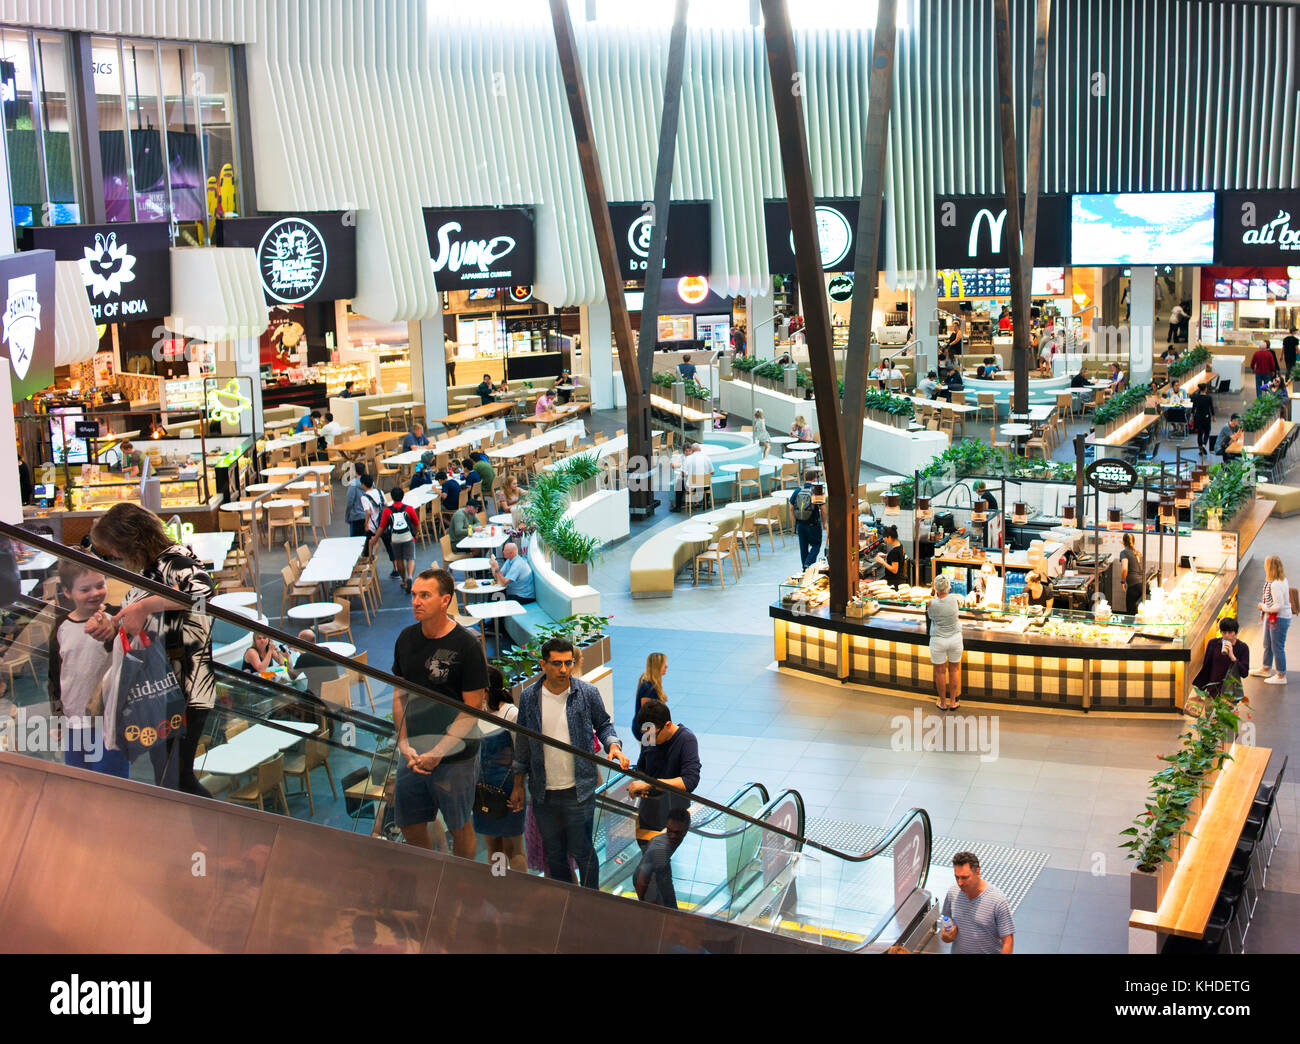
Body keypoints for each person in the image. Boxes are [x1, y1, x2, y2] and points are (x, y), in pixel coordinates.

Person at [86, 503, 216, 796]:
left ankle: (214, 836)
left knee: (177, 780)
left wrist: (145, 606)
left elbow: (205, 595)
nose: (116, 557)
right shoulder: (151, 568)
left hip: (185, 688)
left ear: (130, 541)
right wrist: (111, 620)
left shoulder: (173, 559)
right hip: (164, 687)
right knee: (170, 777)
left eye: (115, 550)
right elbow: (138, 615)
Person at [509, 637, 629, 888]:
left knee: (582, 850)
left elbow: (604, 725)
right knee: (554, 854)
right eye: (556, 664)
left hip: (579, 790)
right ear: (543, 664)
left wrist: (614, 746)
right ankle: (567, 900)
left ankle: (591, 900)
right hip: (544, 793)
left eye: (568, 663)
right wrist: (518, 784)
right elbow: (523, 742)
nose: (564, 670)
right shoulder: (530, 697)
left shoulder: (586, 693)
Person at [391, 569, 489, 859]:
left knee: (459, 826)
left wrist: (439, 752)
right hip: (413, 752)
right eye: (414, 595)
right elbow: (399, 694)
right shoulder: (406, 639)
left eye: (425, 595)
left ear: (445, 600)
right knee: (410, 824)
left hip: (456, 757)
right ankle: (429, 875)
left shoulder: (467, 645)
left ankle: (458, 884)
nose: (416, 602)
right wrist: (403, 743)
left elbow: (472, 708)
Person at [47, 561, 130, 778]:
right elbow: (55, 677)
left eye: (100, 585)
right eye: (85, 589)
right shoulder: (61, 627)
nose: (95, 593)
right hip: (74, 720)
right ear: (67, 592)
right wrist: (57, 719)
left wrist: (113, 632)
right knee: (79, 782)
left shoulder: (117, 617)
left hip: (110, 720)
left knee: (111, 782)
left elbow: (130, 655)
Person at [626, 700, 700, 853]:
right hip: (649, 813)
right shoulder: (650, 735)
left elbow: (690, 781)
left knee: (654, 864)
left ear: (667, 725)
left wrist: (649, 784)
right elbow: (642, 767)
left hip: (674, 816)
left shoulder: (686, 739)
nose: (649, 739)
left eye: (653, 734)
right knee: (652, 865)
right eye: (646, 734)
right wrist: (641, 782)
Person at [474, 667, 528, 872]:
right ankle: (500, 888)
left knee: (514, 848)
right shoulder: (475, 711)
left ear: (486, 689)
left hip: (508, 788)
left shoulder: (511, 713)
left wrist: (518, 787)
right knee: (493, 846)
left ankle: (520, 893)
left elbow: (522, 753)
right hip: (482, 788)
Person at [940, 851, 1015, 954]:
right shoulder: (953, 893)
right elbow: (946, 926)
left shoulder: (997, 901)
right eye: (957, 877)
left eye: (965, 877)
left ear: (978, 872)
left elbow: (1008, 941)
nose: (960, 883)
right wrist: (946, 937)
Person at [370, 486, 420, 592]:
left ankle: (404, 580)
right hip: (408, 537)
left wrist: (375, 538)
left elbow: (382, 527)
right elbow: (416, 524)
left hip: (395, 538)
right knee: (410, 558)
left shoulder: (387, 511)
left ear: (392, 497)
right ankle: (410, 576)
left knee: (399, 559)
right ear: (403, 496)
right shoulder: (409, 509)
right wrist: (414, 535)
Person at [1252, 555, 1291, 685]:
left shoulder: (1275, 585)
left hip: (1279, 619)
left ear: (1270, 567)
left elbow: (1278, 606)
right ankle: (1265, 668)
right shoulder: (1281, 579)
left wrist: (1262, 607)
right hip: (1273, 618)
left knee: (1277, 646)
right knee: (1268, 643)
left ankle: (1281, 675)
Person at [927, 573, 963, 711]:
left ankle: (943, 703)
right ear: (948, 587)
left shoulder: (931, 603)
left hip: (938, 640)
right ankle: (953, 702)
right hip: (955, 639)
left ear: (935, 588)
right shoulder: (954, 600)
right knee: (954, 669)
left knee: (940, 672)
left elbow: (930, 612)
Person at [1193, 617, 1249, 696]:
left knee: (1227, 708)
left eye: (1230, 632)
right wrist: (1200, 690)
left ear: (1235, 632)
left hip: (1230, 693)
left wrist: (1233, 657)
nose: (1227, 635)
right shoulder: (1213, 643)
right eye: (1224, 632)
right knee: (1209, 708)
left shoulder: (1242, 647)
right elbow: (1206, 667)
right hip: (1212, 690)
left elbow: (1244, 673)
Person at [789, 469, 823, 569]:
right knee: (816, 545)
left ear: (805, 479)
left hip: (800, 524)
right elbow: (823, 509)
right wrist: (825, 523)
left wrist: (795, 520)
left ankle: (804, 570)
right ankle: (808, 564)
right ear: (815, 479)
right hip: (813, 524)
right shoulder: (816, 490)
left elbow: (791, 507)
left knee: (803, 548)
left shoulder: (797, 490)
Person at [632, 651, 668, 743]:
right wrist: (650, 739)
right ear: (657, 667)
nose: (667, 666)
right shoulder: (649, 688)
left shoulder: (649, 682)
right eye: (664, 664)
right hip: (646, 731)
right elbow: (646, 717)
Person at [673, 441, 715, 512]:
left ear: (692, 450)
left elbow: (683, 474)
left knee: (679, 483)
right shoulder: (707, 458)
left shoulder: (688, 459)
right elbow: (712, 472)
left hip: (693, 486)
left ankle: (678, 507)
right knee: (708, 482)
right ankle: (706, 504)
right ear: (700, 450)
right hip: (705, 486)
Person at [1120, 533, 1144, 615]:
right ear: (1134, 542)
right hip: (1143, 585)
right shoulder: (1138, 553)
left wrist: (1122, 581)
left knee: (1131, 613)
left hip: (1134, 586)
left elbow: (1124, 568)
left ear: (1123, 542)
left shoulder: (1124, 553)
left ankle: (1131, 627)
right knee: (1140, 612)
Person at [1190, 381, 1215, 456]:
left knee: (1200, 434)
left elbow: (1193, 408)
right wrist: (1213, 416)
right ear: (1205, 389)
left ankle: (1200, 449)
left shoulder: (1196, 397)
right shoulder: (1208, 398)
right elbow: (1211, 407)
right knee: (1207, 431)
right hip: (1206, 417)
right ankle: (1204, 445)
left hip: (1198, 417)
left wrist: (1191, 417)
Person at [345, 464, 370, 537]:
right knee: (367, 541)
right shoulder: (370, 482)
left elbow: (350, 502)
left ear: (355, 472)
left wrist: (347, 517)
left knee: (355, 542)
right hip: (368, 516)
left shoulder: (353, 484)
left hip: (356, 516)